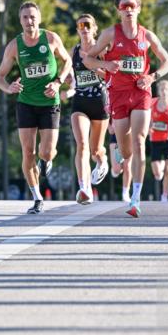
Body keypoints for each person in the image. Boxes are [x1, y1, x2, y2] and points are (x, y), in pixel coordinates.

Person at [83, 0, 168, 218]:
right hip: (118, 95)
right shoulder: (109, 34)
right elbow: (88, 59)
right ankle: (119, 155)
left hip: (141, 93)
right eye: (124, 6)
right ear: (118, 10)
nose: (129, 10)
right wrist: (106, 66)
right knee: (126, 150)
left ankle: (135, 199)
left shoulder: (147, 36)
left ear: (139, 9)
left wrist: (152, 76)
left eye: (133, 6)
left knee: (140, 141)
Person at [0, 0, 72, 215]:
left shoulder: (51, 38)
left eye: (32, 17)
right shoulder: (14, 46)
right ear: (20, 21)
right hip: (26, 103)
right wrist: (9, 87)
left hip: (49, 103)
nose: (29, 21)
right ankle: (37, 197)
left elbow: (68, 62)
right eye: (25, 17)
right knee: (28, 151)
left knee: (47, 151)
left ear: (39, 18)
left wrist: (58, 83)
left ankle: (46, 160)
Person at [63, 14, 109, 204]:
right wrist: (68, 81)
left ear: (94, 28)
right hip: (80, 102)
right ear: (77, 29)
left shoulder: (102, 49)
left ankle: (102, 161)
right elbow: (71, 76)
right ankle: (84, 188)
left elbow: (110, 75)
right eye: (80, 25)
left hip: (99, 101)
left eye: (87, 24)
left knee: (95, 150)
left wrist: (92, 65)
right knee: (81, 144)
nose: (84, 28)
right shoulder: (73, 51)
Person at [109, 120, 132, 202]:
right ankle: (117, 167)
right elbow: (110, 130)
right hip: (116, 138)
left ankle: (125, 193)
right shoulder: (111, 108)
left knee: (127, 166)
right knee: (117, 170)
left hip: (129, 137)